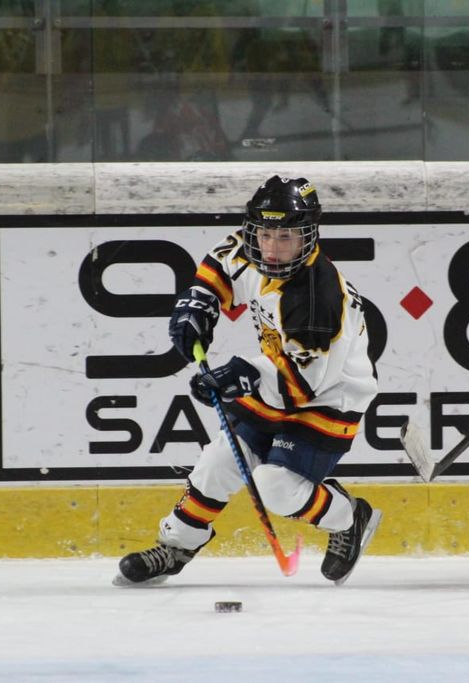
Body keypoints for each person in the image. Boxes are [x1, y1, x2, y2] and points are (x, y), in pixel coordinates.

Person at [115, 175, 381, 586]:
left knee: (276, 487)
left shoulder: (319, 298)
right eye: (266, 234)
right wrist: (200, 300)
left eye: (286, 237)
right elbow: (220, 264)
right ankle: (176, 546)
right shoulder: (251, 247)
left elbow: (304, 384)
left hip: (329, 398)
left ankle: (349, 517)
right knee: (217, 463)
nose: (272, 248)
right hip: (275, 382)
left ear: (309, 236)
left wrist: (242, 374)